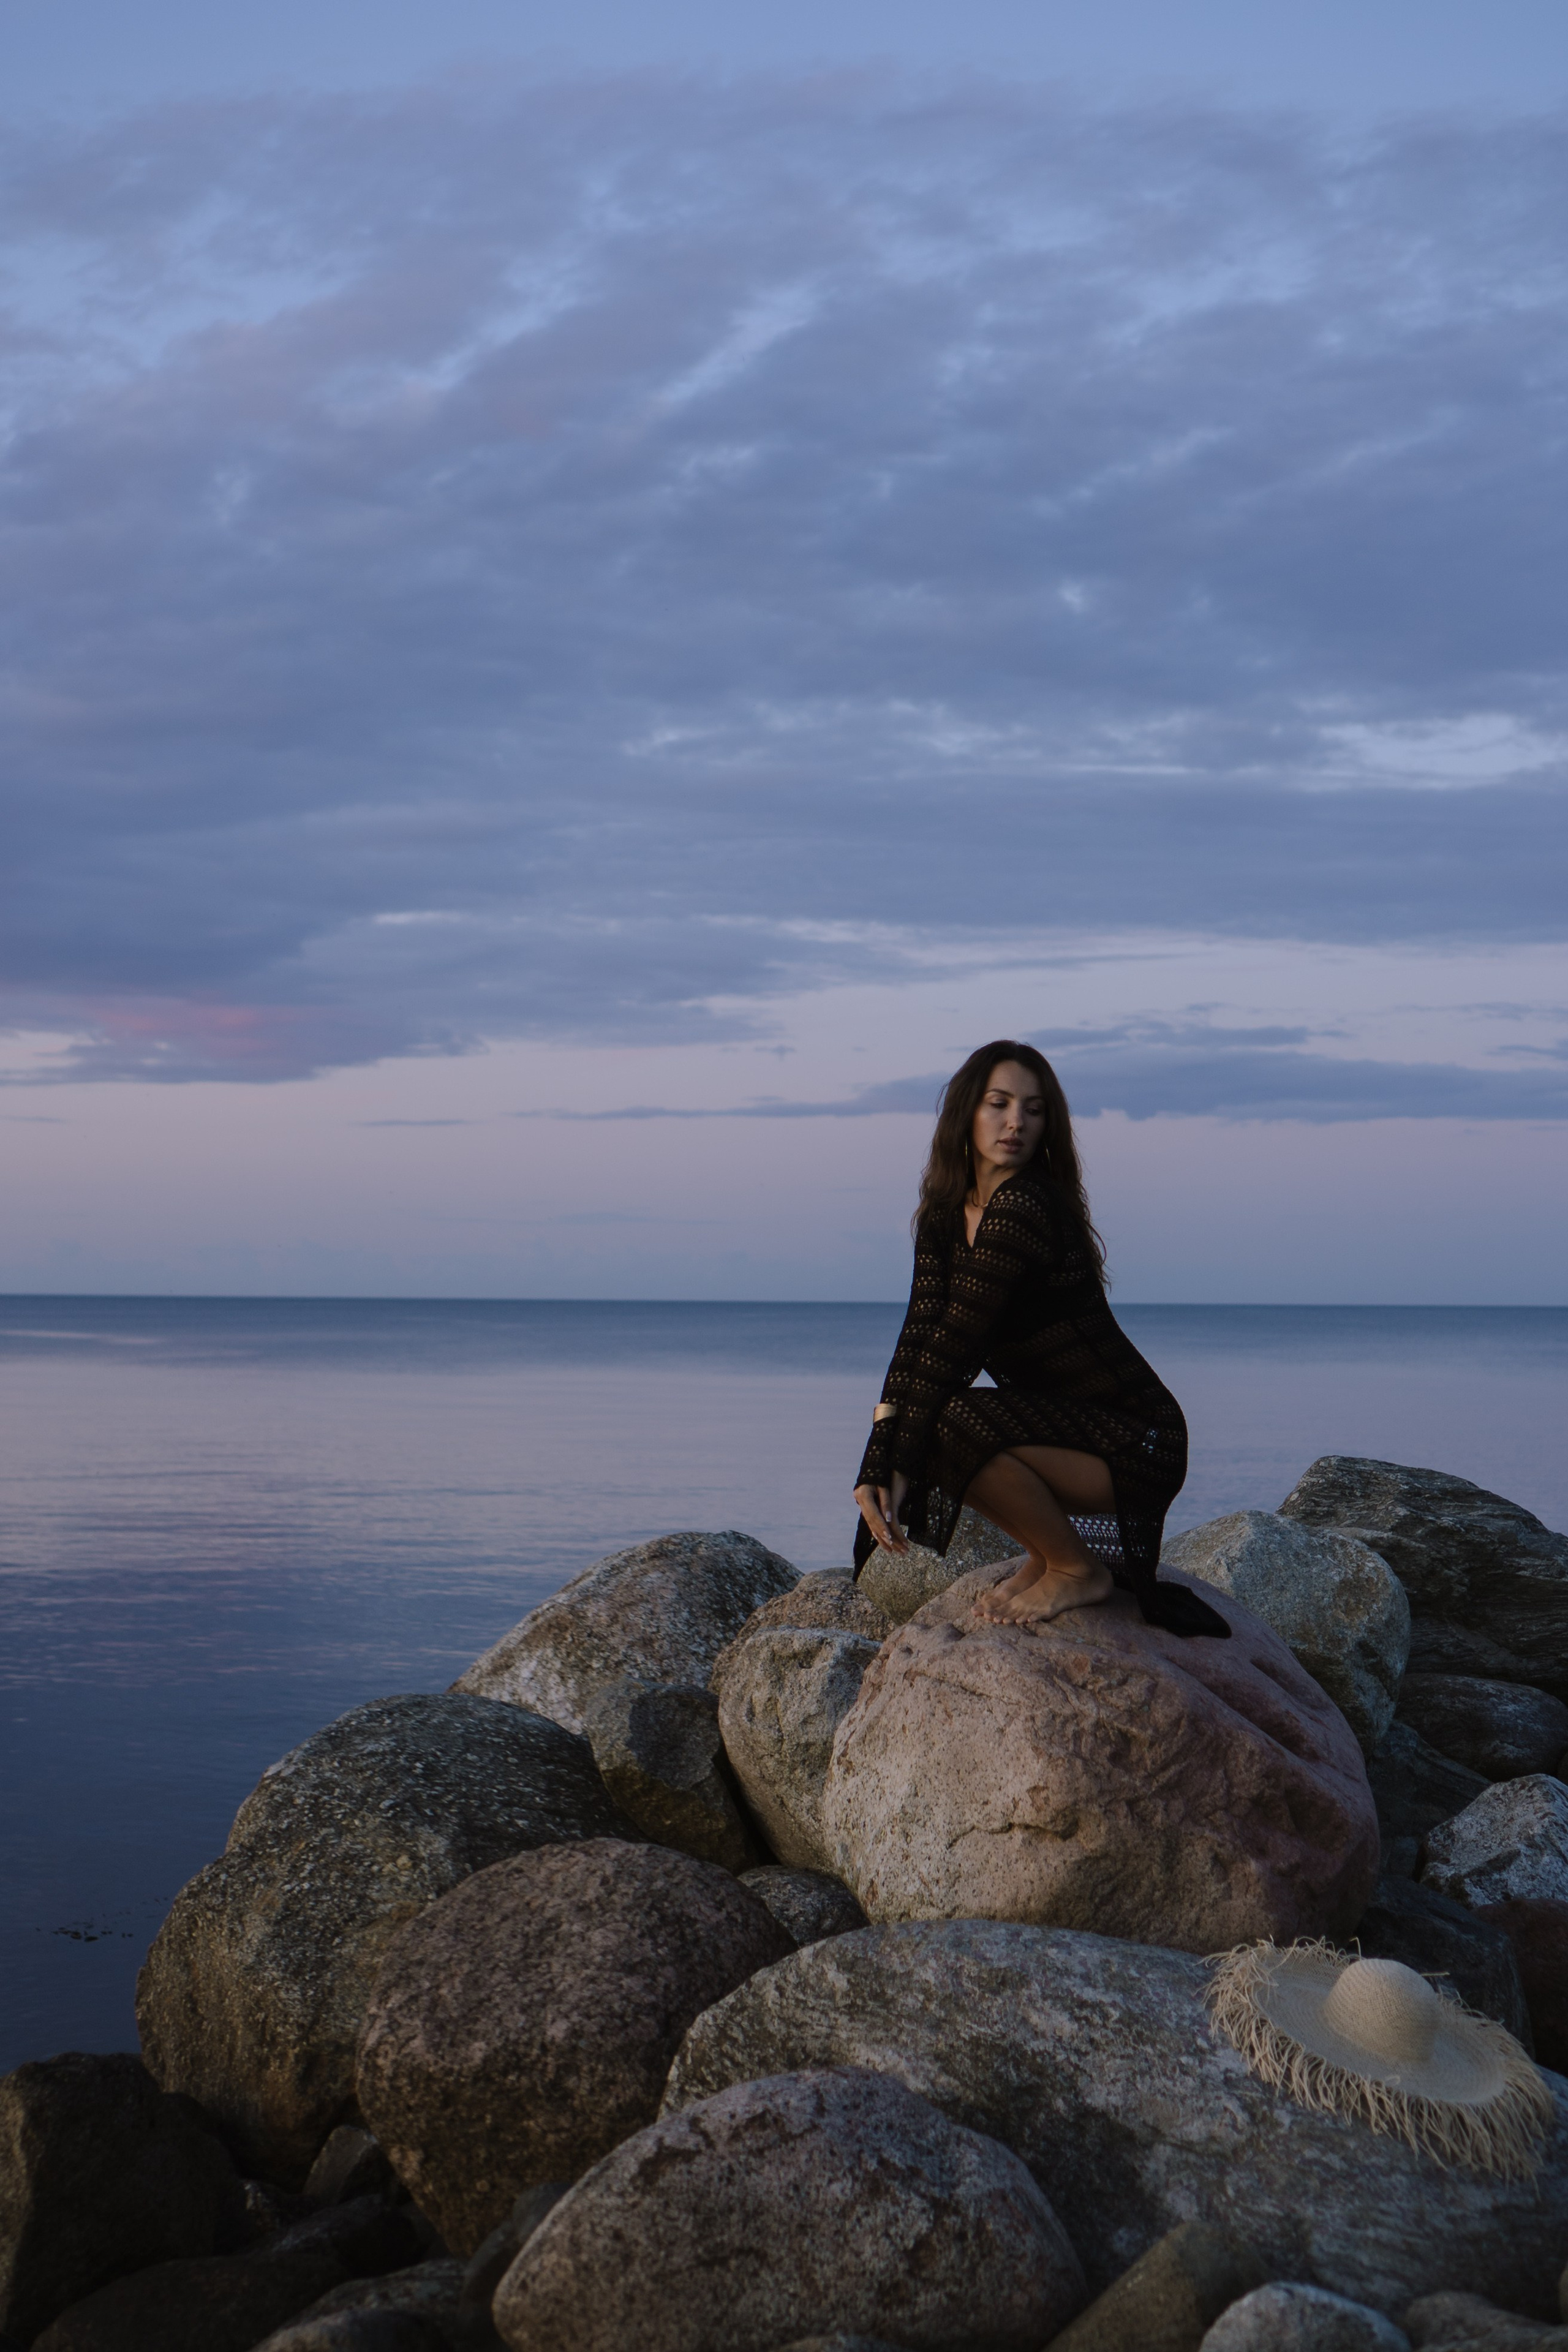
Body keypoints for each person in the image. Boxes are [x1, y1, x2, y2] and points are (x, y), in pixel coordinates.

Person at [853, 1040, 1229, 1637]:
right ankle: (1048, 1553)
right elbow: (919, 1334)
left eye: (1033, 1110)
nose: (1015, 1122)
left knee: (948, 1423)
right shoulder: (946, 1215)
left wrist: (898, 1457)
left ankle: (1076, 1568)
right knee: (934, 1424)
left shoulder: (1025, 1207)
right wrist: (879, 1454)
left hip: (1137, 1441)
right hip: (1064, 1430)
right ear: (965, 1113)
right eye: (998, 1103)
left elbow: (956, 1346)